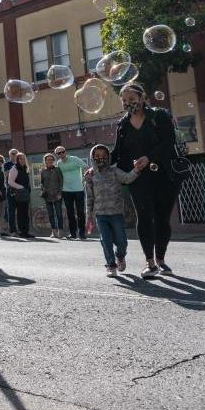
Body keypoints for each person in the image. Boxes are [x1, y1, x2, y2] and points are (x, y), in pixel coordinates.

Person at [110, 82, 181, 279]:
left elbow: (169, 142)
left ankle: (161, 259)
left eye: (131, 99)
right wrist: (98, 165)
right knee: (144, 216)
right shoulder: (123, 124)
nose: (128, 103)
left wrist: (148, 157)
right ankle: (150, 263)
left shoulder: (159, 116)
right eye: (124, 100)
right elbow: (118, 152)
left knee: (162, 218)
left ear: (142, 98)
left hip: (165, 175)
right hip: (138, 177)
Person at [84, 143, 143, 277]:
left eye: (104, 156)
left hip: (116, 213)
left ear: (108, 157)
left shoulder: (114, 171)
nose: (101, 158)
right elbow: (89, 197)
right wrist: (89, 216)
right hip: (100, 215)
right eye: (97, 156)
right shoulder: (90, 176)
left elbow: (127, 178)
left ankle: (120, 256)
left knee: (122, 241)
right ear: (92, 158)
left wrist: (136, 169)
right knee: (106, 241)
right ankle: (111, 265)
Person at [54, 145, 87, 240]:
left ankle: (82, 234)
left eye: (62, 151)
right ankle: (73, 234)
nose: (61, 154)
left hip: (79, 189)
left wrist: (84, 178)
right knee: (70, 213)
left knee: (80, 212)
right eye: (59, 153)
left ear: (65, 151)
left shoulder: (74, 159)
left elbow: (86, 167)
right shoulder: (59, 163)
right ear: (57, 155)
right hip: (66, 190)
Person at [6, 152, 34, 239]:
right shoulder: (14, 168)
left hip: (24, 193)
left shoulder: (25, 168)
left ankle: (26, 231)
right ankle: (22, 232)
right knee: (20, 213)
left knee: (25, 213)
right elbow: (10, 182)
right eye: (20, 158)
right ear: (17, 160)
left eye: (23, 158)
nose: (22, 160)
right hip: (16, 194)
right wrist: (21, 187)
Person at [39, 152, 65, 238]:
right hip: (48, 196)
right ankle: (53, 232)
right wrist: (43, 190)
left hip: (57, 195)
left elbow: (61, 182)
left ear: (53, 161)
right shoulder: (43, 171)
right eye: (48, 159)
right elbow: (41, 183)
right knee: (50, 214)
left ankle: (60, 231)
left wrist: (60, 193)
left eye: (51, 159)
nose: (49, 161)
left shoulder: (57, 169)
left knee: (59, 214)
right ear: (45, 161)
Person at [2, 148, 19, 235]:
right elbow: (5, 174)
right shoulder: (7, 164)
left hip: (20, 188)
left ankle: (22, 229)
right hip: (10, 188)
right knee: (11, 210)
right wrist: (14, 168)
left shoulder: (21, 162)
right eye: (12, 153)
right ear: (9, 155)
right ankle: (12, 230)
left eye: (16, 153)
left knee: (21, 210)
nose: (14, 155)